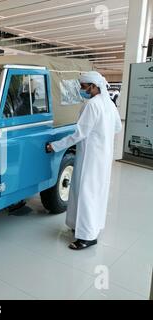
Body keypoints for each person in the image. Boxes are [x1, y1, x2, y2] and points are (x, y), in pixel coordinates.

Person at [46, 71, 122, 250]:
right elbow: (117, 127)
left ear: (93, 86)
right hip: (102, 156)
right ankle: (84, 227)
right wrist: (102, 135)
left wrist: (54, 146)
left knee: (86, 193)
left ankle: (87, 237)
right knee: (95, 193)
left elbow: (79, 134)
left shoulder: (92, 105)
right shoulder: (109, 104)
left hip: (90, 157)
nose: (81, 89)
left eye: (83, 86)